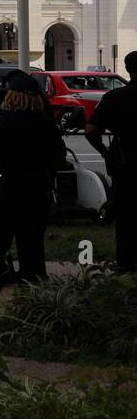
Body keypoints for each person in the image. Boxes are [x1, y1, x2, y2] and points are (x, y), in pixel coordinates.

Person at [0, 73, 65, 310]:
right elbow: (59, 158)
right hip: (37, 192)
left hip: (7, 192)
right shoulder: (46, 122)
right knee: (32, 248)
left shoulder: (4, 120)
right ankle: (35, 303)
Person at [85, 51, 137, 272]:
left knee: (125, 217)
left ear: (128, 70)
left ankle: (126, 263)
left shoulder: (114, 98)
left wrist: (104, 151)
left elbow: (91, 130)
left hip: (126, 162)